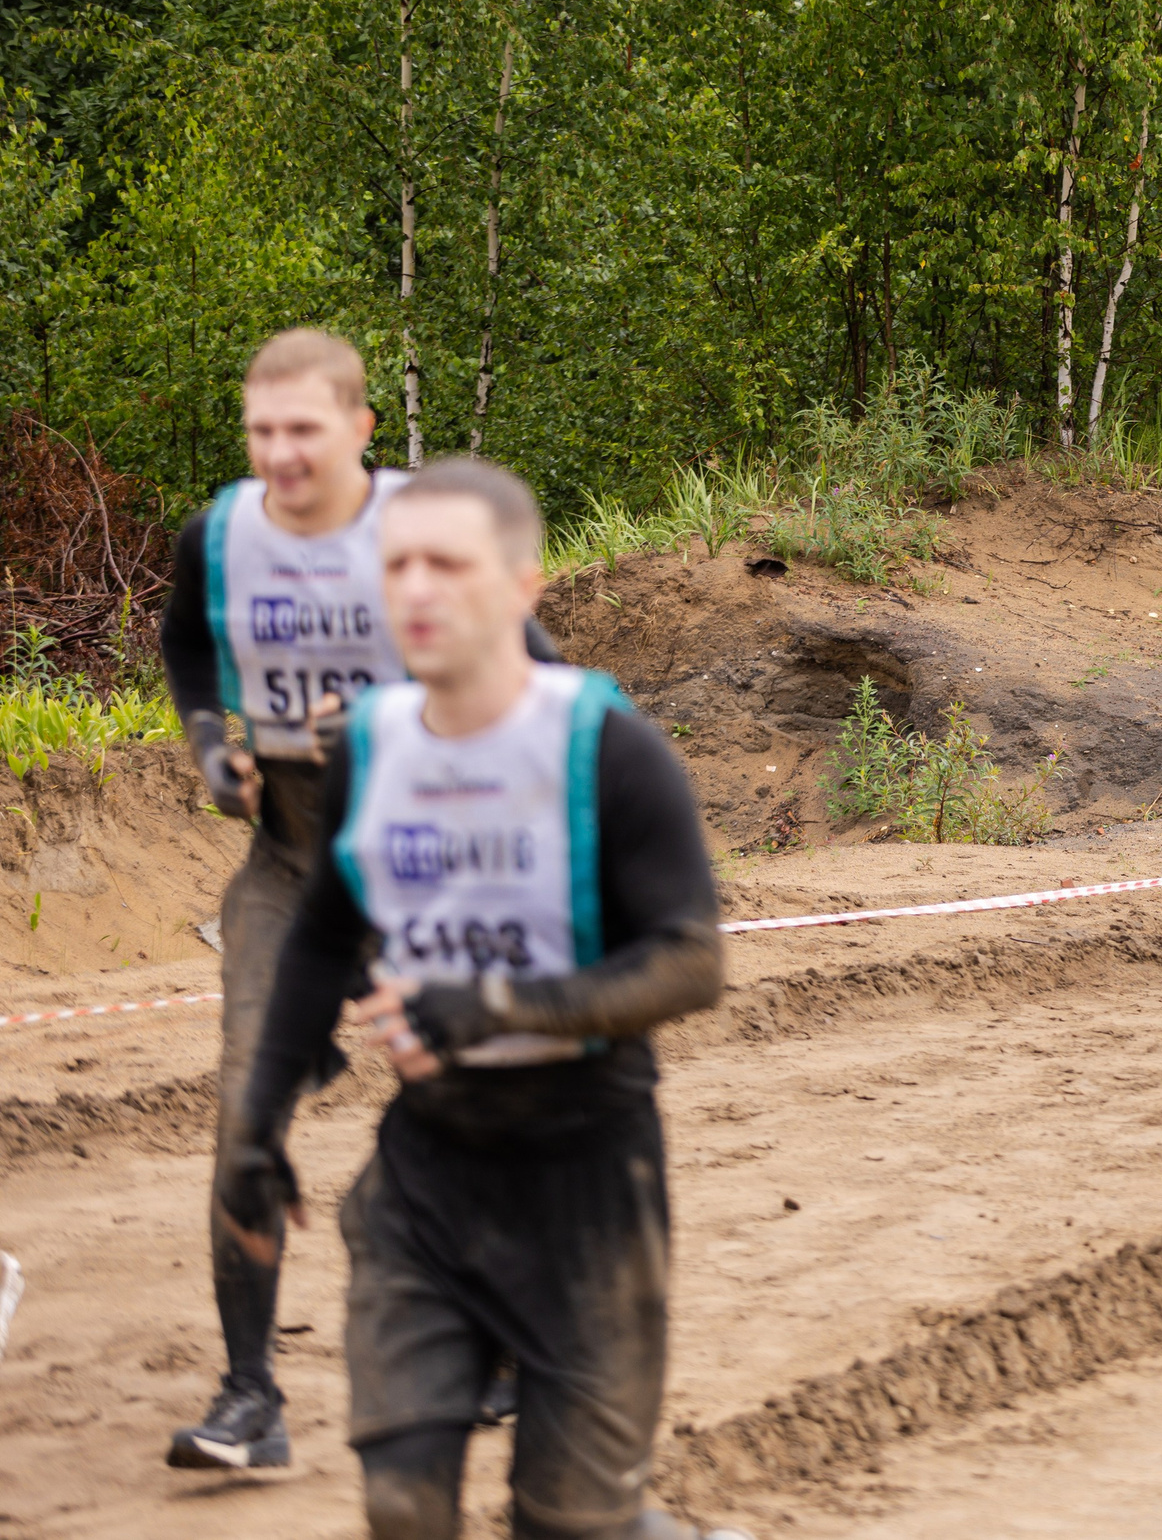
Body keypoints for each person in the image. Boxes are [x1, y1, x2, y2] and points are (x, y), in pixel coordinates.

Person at [218, 458, 748, 1540]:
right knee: (403, 1504)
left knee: (568, 1522)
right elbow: (322, 931)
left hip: (588, 1188)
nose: (414, 590)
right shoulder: (372, 742)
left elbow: (692, 961)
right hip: (428, 1182)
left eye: (447, 565)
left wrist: (499, 1004)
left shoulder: (606, 746)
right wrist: (258, 1127)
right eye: (395, 566)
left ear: (521, 586)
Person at [159, 328, 557, 1471]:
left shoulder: (419, 532)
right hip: (289, 860)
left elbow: (541, 673)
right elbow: (187, 643)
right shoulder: (221, 535)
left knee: (468, 1103)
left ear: (360, 431)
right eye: (262, 431)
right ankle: (250, 1398)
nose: (281, 455)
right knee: (245, 1123)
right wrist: (204, 746)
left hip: (427, 860)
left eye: (305, 431)